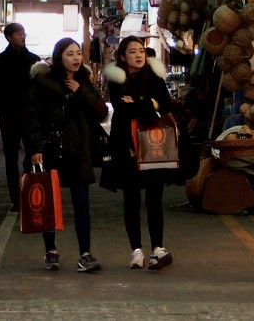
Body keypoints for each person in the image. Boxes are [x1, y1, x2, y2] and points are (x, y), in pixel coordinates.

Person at [25, 38, 108, 273]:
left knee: (82, 204)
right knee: (49, 204)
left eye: (78, 53)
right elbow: (31, 118)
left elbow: (101, 112)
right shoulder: (43, 83)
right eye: (70, 54)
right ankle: (50, 251)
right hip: (51, 151)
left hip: (78, 151)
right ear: (59, 56)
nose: (76, 58)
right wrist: (35, 149)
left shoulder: (84, 81)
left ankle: (85, 254)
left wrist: (80, 91)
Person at [104, 35, 175, 270]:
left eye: (142, 51)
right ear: (123, 56)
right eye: (132, 51)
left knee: (154, 199)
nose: (138, 55)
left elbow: (165, 104)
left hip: (153, 145)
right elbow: (121, 108)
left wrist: (139, 102)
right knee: (131, 200)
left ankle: (158, 248)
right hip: (127, 148)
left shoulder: (155, 76)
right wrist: (147, 103)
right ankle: (136, 250)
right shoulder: (116, 79)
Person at [0, 22, 40, 212]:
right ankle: (16, 199)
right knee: (10, 157)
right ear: (9, 37)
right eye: (18, 34)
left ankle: (27, 192)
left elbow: (41, 87)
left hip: (30, 115)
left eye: (23, 33)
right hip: (8, 115)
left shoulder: (33, 60)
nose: (22, 36)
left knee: (32, 154)